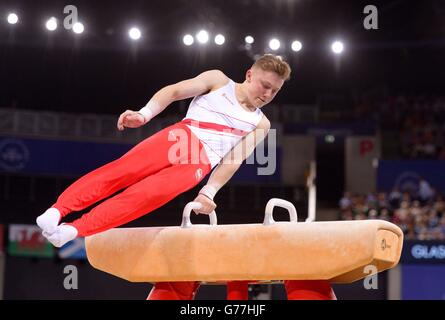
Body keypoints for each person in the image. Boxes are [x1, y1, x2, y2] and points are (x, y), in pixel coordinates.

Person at [36, 53, 290, 246]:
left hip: (200, 163)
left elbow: (234, 159)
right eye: (264, 85)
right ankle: (57, 210)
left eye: (275, 90)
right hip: (181, 137)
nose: (268, 94)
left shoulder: (261, 123)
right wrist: (143, 115)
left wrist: (208, 193)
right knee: (121, 173)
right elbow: (175, 91)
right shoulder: (218, 80)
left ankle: (74, 230)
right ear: (249, 75)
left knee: (144, 198)